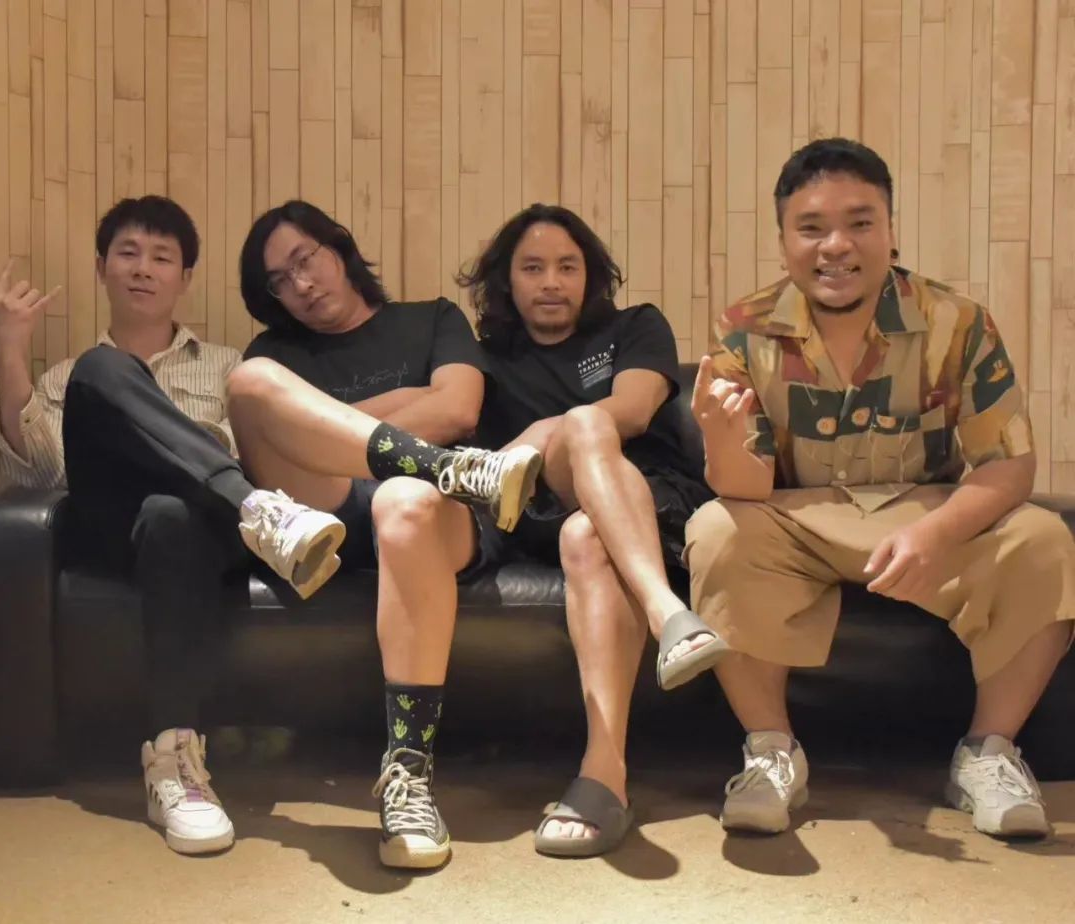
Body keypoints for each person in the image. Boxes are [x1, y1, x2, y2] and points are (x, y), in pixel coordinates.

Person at [684, 137, 1075, 839]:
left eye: (859, 223)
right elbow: (747, 486)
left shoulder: (957, 322)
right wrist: (718, 435)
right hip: (799, 523)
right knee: (714, 528)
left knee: (1045, 537)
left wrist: (936, 534)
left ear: (890, 232)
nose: (836, 246)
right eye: (811, 228)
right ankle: (772, 752)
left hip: (924, 516)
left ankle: (988, 753)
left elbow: (1009, 465)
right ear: (783, 242)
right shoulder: (743, 330)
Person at [0, 196, 354, 856]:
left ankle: (176, 763)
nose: (143, 269)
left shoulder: (228, 366)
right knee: (103, 370)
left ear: (184, 277)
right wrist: (10, 351)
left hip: (198, 531)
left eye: (162, 257)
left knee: (170, 511)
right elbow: (40, 475)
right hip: (110, 529)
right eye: (128, 254)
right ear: (102, 267)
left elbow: (248, 447)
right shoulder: (74, 375)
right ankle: (260, 511)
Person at [230, 200, 541, 870]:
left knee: (403, 497)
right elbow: (266, 451)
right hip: (324, 520)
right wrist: (404, 405)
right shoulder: (275, 354)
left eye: (305, 259)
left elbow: (457, 407)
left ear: (338, 246)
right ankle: (447, 467)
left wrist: (322, 427)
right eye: (279, 281)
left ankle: (409, 774)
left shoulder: (430, 319)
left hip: (432, 514)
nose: (300, 284)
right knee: (250, 383)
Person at [459, 203, 728, 858]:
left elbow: (631, 411)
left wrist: (535, 432)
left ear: (590, 276)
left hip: (651, 497)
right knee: (579, 446)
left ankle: (603, 777)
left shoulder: (635, 327)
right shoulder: (487, 361)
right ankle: (669, 615)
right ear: (507, 281)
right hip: (543, 506)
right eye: (533, 268)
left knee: (587, 522)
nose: (551, 282)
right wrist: (538, 442)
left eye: (567, 266)